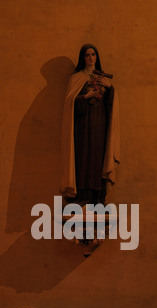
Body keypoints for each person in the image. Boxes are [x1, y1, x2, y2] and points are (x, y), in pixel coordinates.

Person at [60, 44, 120, 206]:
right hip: (82, 125)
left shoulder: (103, 78)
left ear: (97, 57)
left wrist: (110, 88)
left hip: (99, 125)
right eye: (87, 55)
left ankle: (97, 197)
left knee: (97, 158)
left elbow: (111, 106)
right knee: (82, 158)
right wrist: (86, 97)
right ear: (83, 58)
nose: (91, 58)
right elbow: (70, 104)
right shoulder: (76, 78)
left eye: (93, 55)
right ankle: (81, 196)